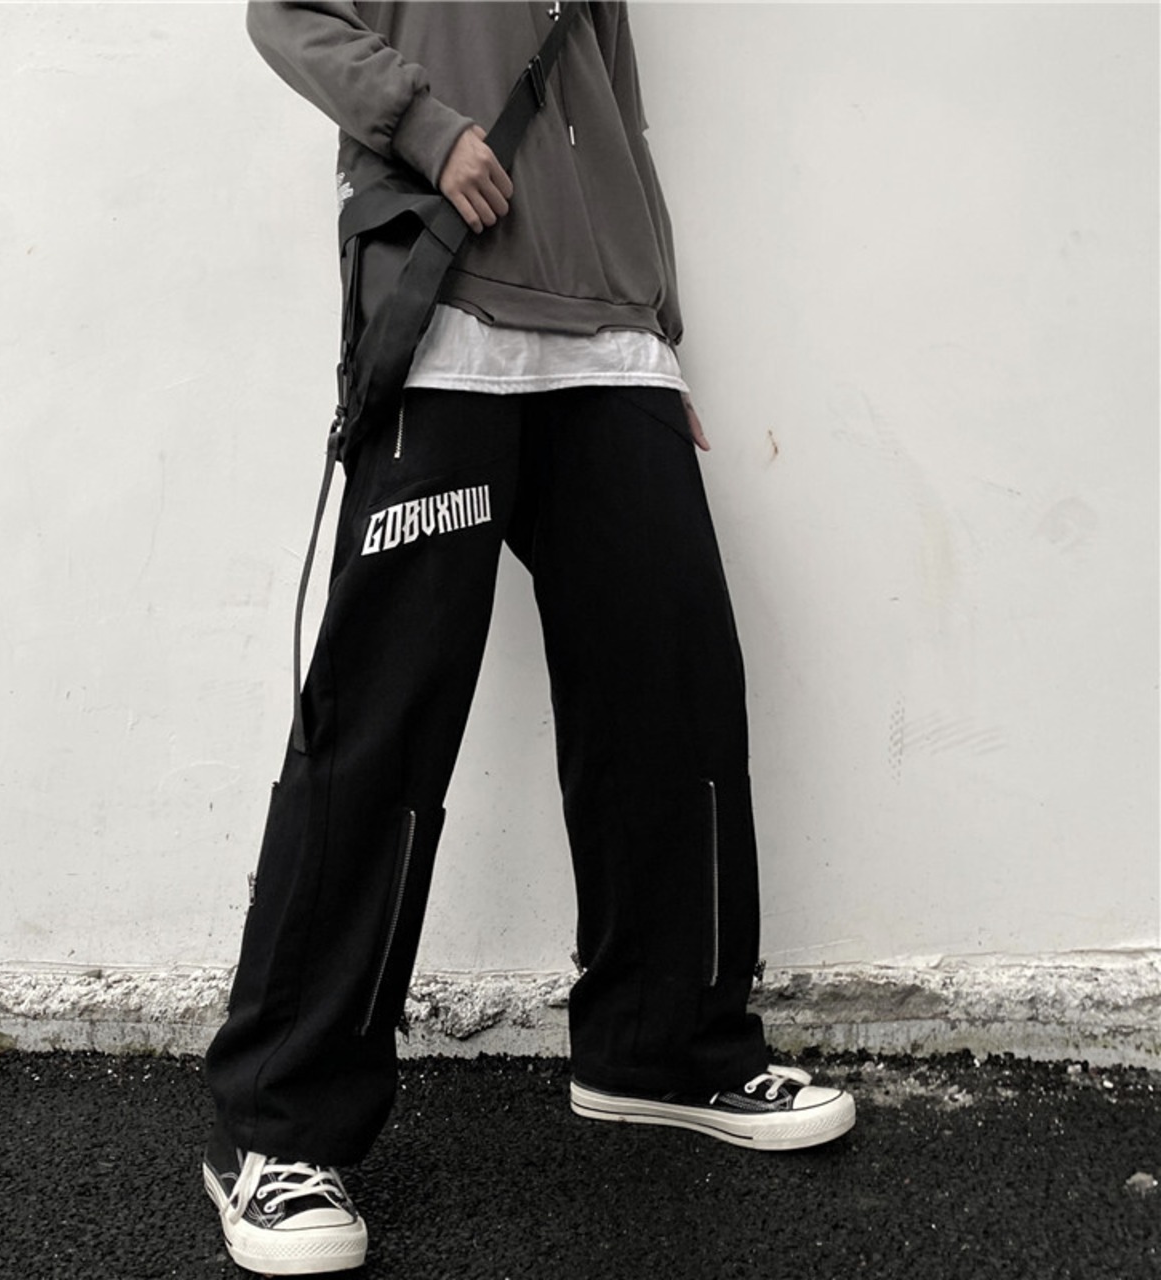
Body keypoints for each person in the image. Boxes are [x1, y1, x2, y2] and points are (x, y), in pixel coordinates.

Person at [204, 3, 856, 1273]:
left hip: (608, 341)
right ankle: (279, 1127)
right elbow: (285, 13)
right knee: (382, 717)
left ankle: (660, 1046)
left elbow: (617, 114)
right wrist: (425, 127)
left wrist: (656, 325)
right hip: (446, 313)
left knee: (671, 692)